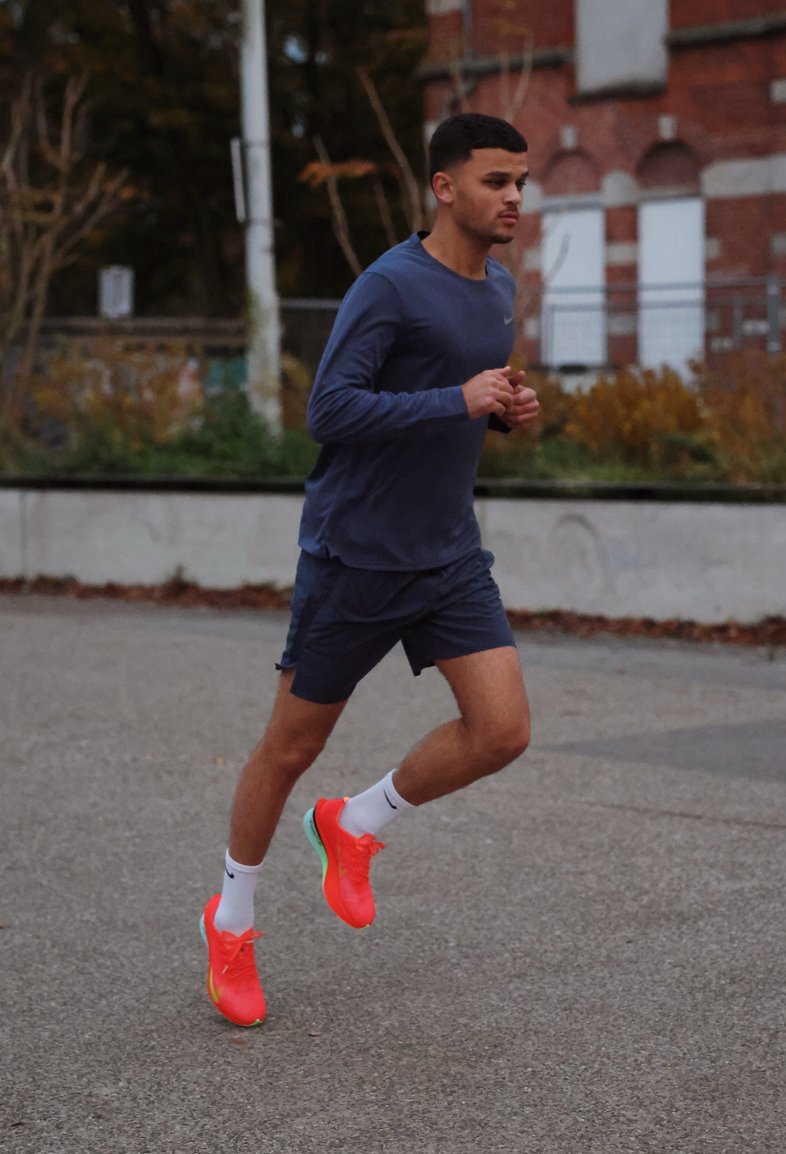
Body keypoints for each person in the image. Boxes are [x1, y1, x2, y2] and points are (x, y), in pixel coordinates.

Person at [200, 112, 541, 1027]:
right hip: (356, 557)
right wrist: (455, 398)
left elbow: (458, 405)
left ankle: (354, 823)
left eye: (521, 181)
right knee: (289, 748)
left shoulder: (498, 288)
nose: (514, 197)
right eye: (496, 181)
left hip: (448, 554)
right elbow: (330, 410)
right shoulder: (390, 285)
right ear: (445, 188)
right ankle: (231, 922)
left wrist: (501, 409)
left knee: (503, 731)